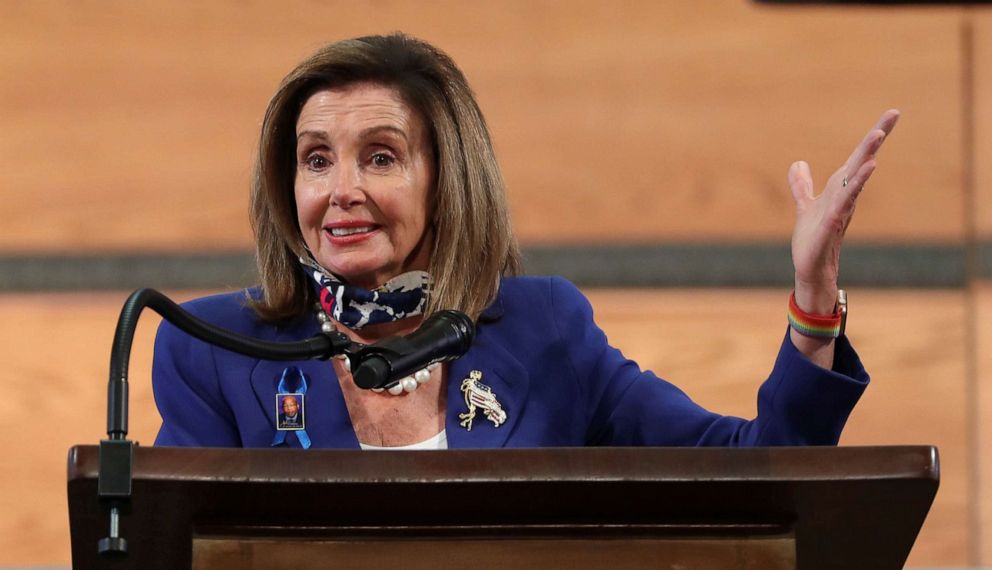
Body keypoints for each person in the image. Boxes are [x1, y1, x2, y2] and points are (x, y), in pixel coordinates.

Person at [153, 33, 899, 450]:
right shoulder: (216, 352)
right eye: (316, 159)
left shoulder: (547, 334)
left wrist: (813, 298)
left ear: (448, 183)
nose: (340, 189)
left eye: (380, 156)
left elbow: (757, 471)